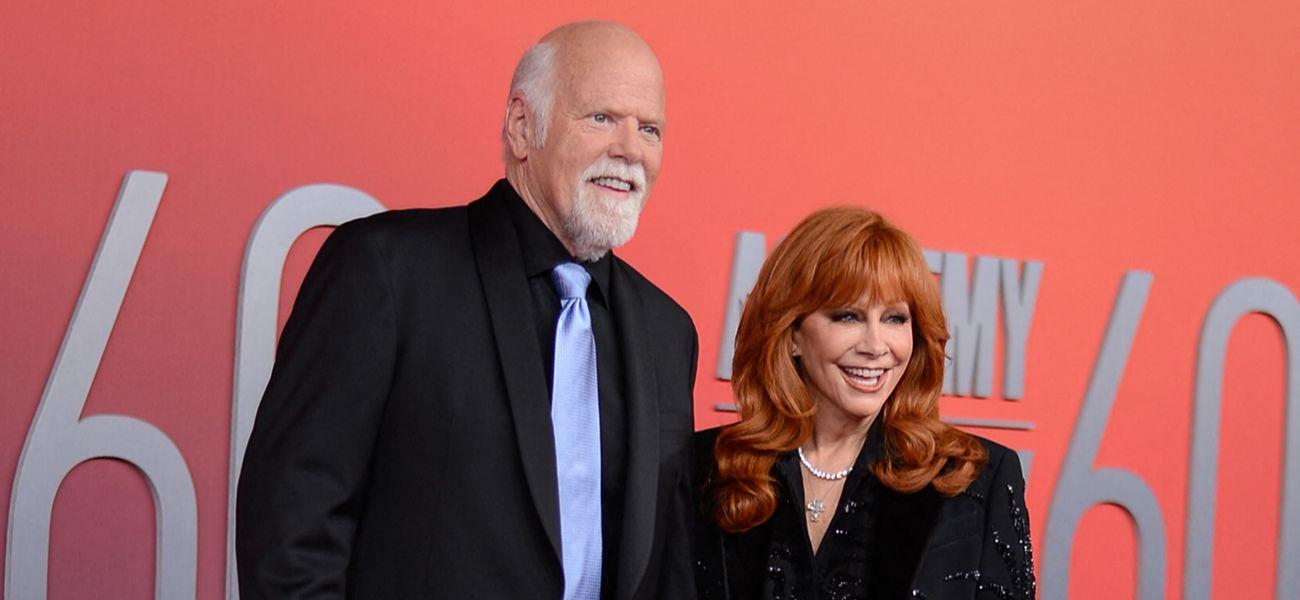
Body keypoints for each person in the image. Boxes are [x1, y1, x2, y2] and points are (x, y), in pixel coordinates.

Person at [236, 21, 698, 599]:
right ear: (522, 125)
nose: (630, 150)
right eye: (602, 117)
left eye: (650, 129)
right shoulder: (385, 270)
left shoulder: (667, 332)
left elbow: (671, 568)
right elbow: (291, 527)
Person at [694, 207, 1035, 599]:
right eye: (848, 316)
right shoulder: (710, 469)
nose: (875, 346)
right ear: (792, 334)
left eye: (894, 319)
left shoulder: (974, 479)